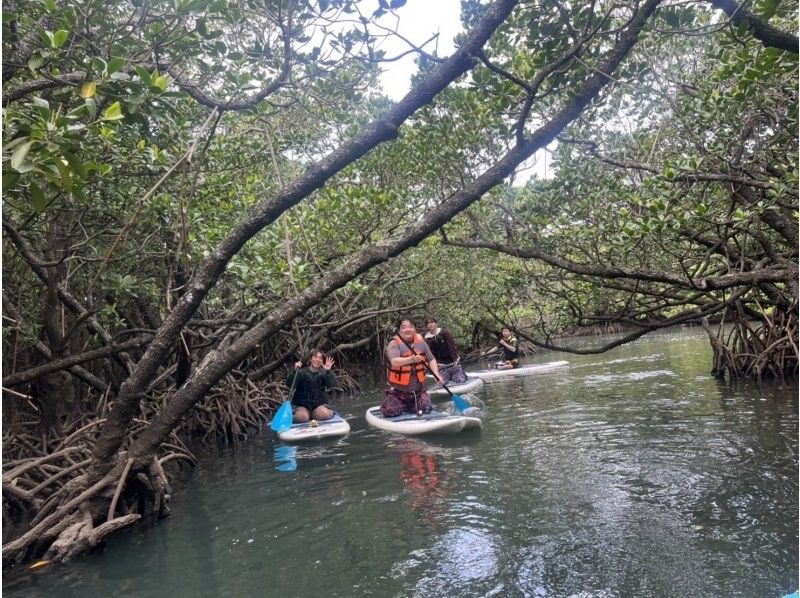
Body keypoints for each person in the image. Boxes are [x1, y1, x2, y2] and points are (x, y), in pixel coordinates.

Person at [381, 317, 444, 417]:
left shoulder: (422, 343)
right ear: (399, 330)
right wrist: (411, 359)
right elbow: (394, 362)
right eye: (404, 327)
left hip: (418, 391)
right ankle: (401, 405)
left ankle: (412, 406)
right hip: (398, 393)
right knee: (390, 411)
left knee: (427, 408)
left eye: (411, 326)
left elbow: (431, 359)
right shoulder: (393, 343)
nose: (408, 329)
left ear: (415, 328)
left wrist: (437, 375)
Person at [287, 349, 337, 423]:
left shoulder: (324, 373)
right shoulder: (300, 372)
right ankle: (298, 415)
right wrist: (295, 371)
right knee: (302, 417)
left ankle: (327, 412)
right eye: (315, 357)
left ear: (322, 361)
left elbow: (332, 385)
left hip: (319, 406)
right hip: (302, 406)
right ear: (310, 359)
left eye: (320, 358)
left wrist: (328, 371)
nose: (317, 360)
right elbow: (289, 385)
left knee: (324, 415)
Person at [424, 317, 467, 384]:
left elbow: (452, 346)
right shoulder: (427, 339)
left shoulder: (445, 333)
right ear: (427, 326)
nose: (430, 324)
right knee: (442, 383)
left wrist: (455, 360)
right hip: (441, 365)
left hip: (453, 363)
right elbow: (429, 354)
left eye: (432, 322)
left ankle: (461, 375)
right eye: (428, 323)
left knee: (460, 381)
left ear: (436, 324)